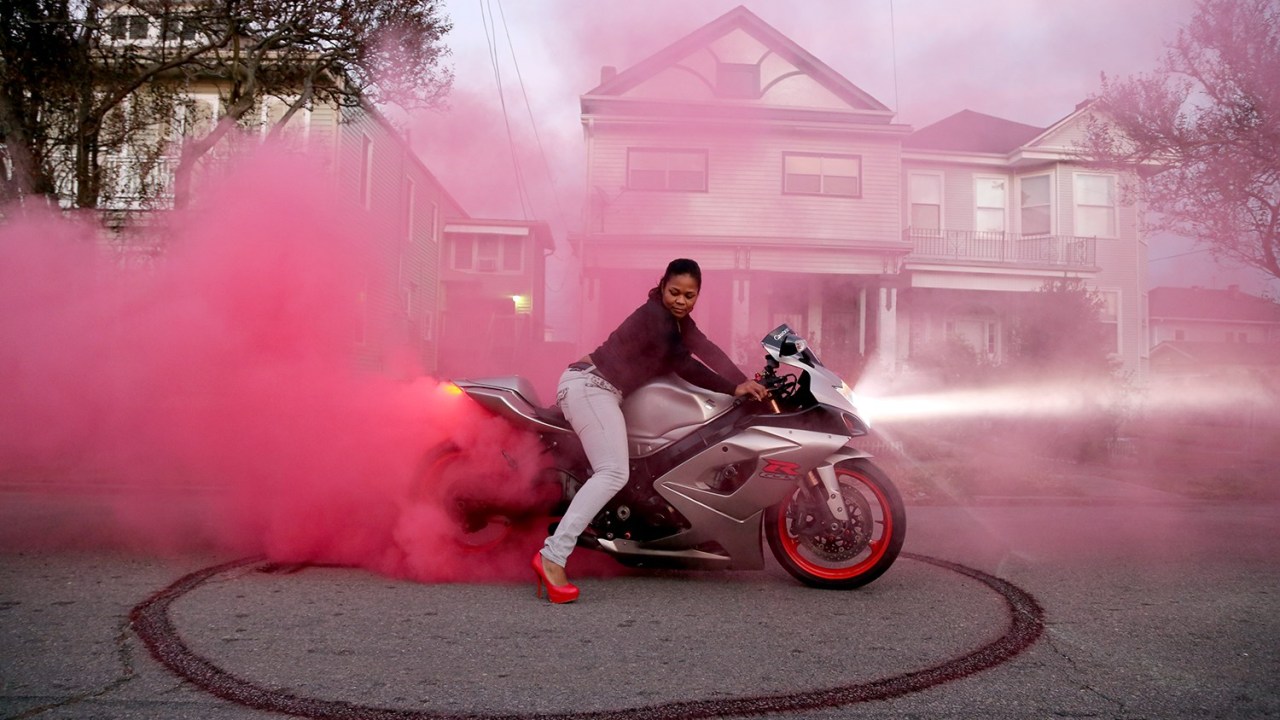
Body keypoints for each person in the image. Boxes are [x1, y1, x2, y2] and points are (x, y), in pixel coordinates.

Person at [532, 258, 769, 603]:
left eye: (689, 296)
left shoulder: (677, 322)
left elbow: (705, 349)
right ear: (662, 286)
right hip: (590, 386)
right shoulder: (656, 318)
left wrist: (742, 380)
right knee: (613, 471)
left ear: (697, 296)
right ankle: (552, 556)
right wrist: (733, 389)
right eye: (674, 292)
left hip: (603, 389)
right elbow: (684, 363)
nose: (681, 301)